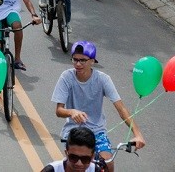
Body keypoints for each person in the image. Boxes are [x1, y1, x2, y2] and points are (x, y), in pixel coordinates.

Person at [52, 42, 145, 172]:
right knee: (74, 166)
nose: (78, 64)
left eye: (82, 60)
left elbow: (121, 109)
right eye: (75, 60)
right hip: (73, 131)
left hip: (97, 132)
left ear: (92, 61)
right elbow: (59, 111)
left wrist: (137, 134)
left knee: (108, 162)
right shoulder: (66, 77)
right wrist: (71, 112)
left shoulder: (103, 79)